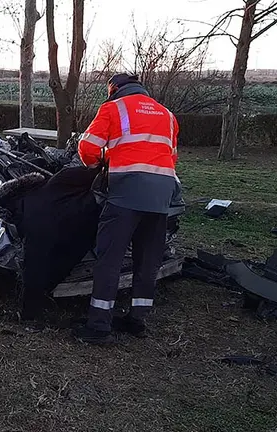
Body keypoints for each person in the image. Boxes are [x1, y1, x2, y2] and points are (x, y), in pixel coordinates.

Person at [74, 73, 180, 345]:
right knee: (148, 259)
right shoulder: (167, 114)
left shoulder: (113, 107)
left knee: (109, 257)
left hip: (126, 192)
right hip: (162, 193)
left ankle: (99, 326)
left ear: (114, 89)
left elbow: (87, 147)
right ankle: (137, 320)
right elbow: (170, 155)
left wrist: (99, 163)